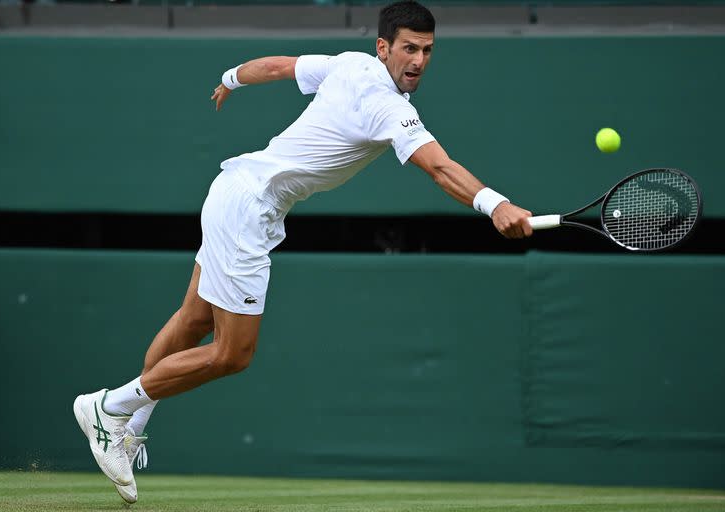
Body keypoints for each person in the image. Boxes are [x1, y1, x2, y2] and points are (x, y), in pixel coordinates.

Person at [73, 0, 533, 503]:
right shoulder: (389, 106)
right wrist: (495, 205)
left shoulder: (347, 63)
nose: (419, 60)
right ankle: (111, 407)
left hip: (232, 192)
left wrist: (230, 78)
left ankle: (125, 424)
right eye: (408, 48)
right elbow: (440, 168)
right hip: (249, 209)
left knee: (192, 320)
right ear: (384, 48)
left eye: (427, 50)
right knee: (232, 354)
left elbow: (274, 67)